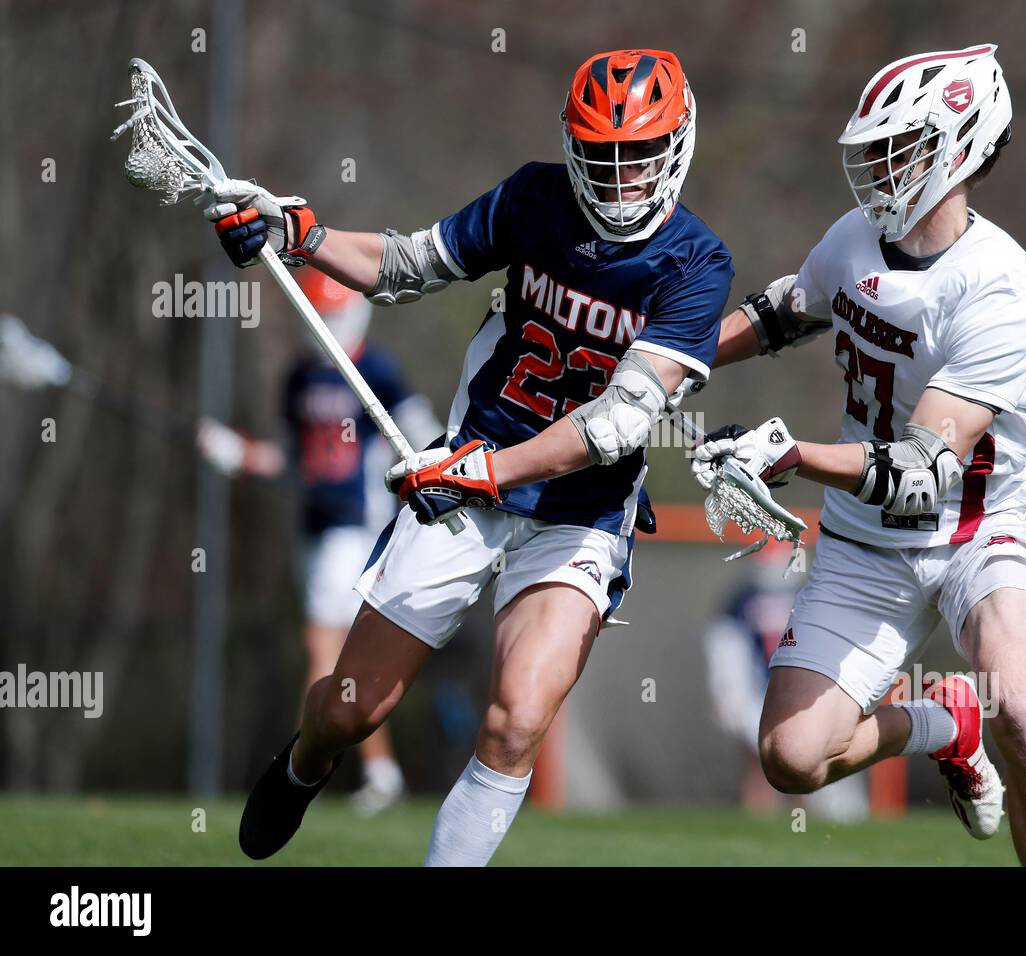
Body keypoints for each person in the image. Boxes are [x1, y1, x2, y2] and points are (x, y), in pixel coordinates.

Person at [205, 49, 733, 865]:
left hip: (576, 511)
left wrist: (485, 472)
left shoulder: (698, 262)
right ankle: (306, 763)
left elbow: (617, 425)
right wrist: (297, 232)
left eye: (639, 158)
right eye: (602, 156)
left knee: (517, 716)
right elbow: (411, 265)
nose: (620, 177)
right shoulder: (533, 196)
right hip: (471, 479)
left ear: (677, 148)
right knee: (349, 710)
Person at [692, 45, 1026, 865]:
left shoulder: (999, 285)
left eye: (900, 147)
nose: (878, 166)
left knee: (1020, 708)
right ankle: (942, 725)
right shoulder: (854, 238)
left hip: (980, 531)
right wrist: (665, 367)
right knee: (791, 758)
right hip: (868, 542)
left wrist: (790, 453)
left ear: (959, 147)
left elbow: (920, 471)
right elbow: (782, 314)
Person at [197, 270, 440, 816]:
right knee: (340, 659)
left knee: (320, 645)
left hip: (357, 527)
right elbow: (292, 460)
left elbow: (423, 438)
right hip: (312, 526)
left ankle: (298, 772)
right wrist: (239, 455)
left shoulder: (375, 371)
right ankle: (382, 772)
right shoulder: (300, 379)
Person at [702, 547, 868, 822]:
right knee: (772, 763)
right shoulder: (746, 599)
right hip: (765, 693)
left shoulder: (798, 596)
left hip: (794, 692)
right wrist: (729, 693)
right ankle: (772, 822)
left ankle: (804, 819)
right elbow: (726, 649)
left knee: (787, 762)